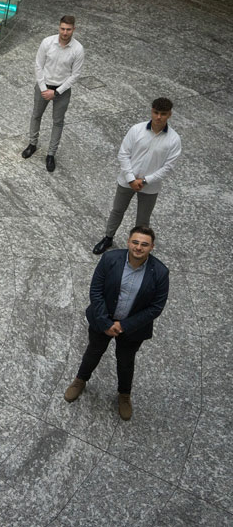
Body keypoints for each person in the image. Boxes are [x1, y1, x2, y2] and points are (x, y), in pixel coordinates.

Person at [64, 226, 169, 420]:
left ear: (152, 247)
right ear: (129, 242)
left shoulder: (160, 273)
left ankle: (124, 395)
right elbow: (96, 291)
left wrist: (124, 326)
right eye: (135, 242)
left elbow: (156, 307)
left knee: (126, 362)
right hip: (102, 320)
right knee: (93, 352)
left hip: (133, 329)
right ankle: (80, 380)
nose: (138, 247)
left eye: (144, 244)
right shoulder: (110, 259)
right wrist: (105, 322)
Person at [92, 98, 181, 255]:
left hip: (150, 186)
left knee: (143, 220)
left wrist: (146, 180)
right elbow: (123, 153)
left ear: (170, 115)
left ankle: (136, 249)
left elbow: (169, 167)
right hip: (127, 181)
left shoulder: (174, 139)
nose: (159, 117)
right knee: (117, 210)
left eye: (163, 114)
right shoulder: (136, 130)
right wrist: (131, 178)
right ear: (151, 111)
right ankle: (108, 238)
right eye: (156, 112)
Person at [21, 15, 84, 172]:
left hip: (62, 90)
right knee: (36, 115)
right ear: (59, 28)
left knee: (58, 121)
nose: (65, 32)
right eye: (62, 28)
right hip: (43, 86)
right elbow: (38, 65)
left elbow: (75, 75)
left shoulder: (78, 49)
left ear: (73, 29)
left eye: (68, 29)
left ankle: (51, 154)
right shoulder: (47, 42)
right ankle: (32, 144)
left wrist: (56, 92)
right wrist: (44, 89)